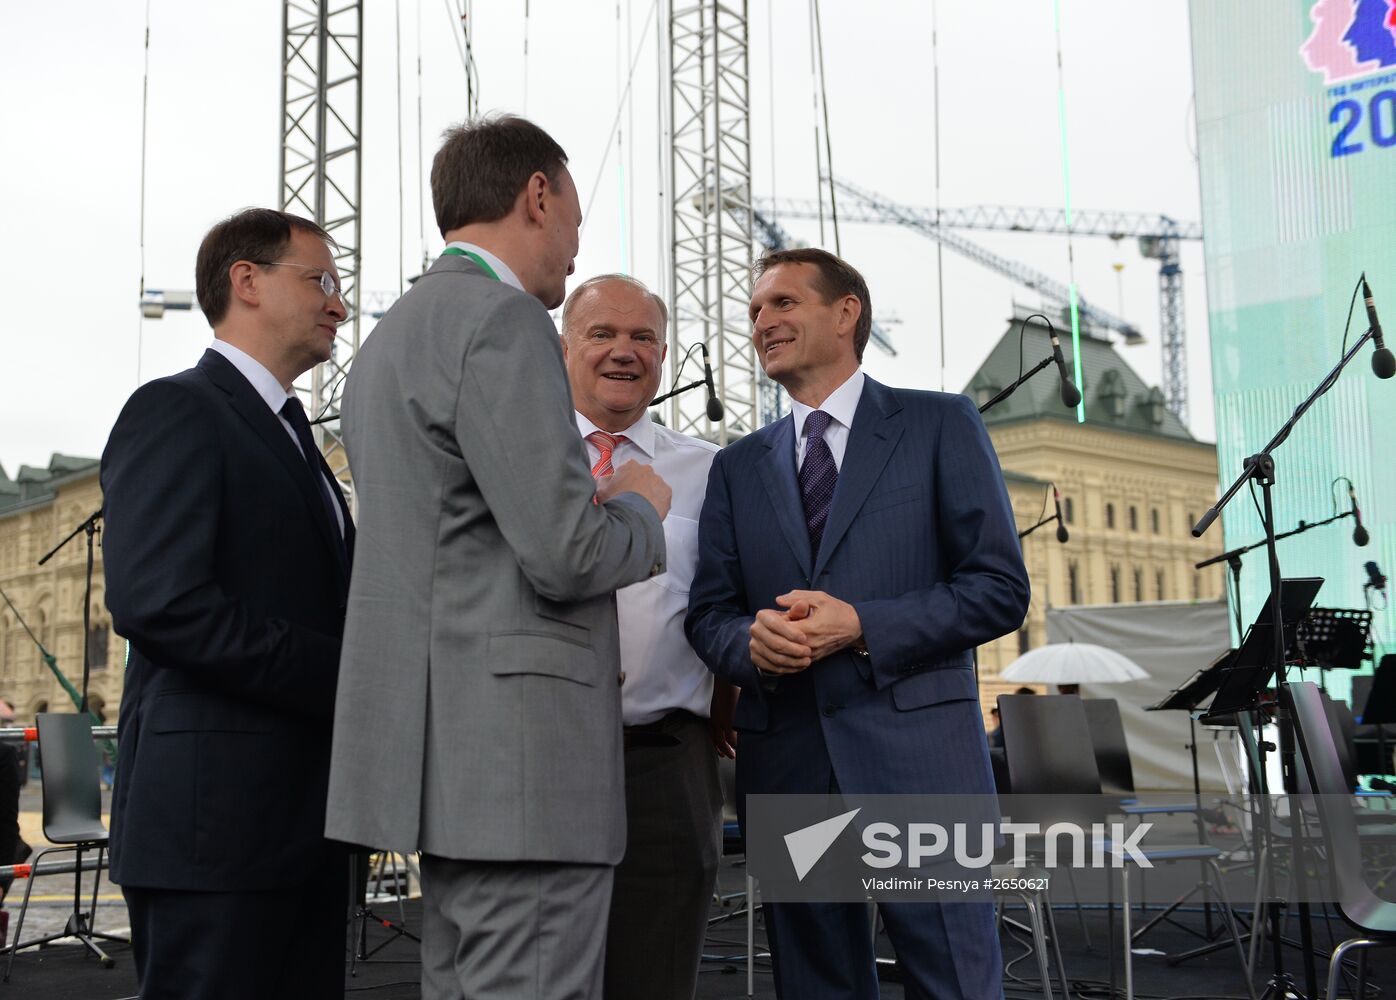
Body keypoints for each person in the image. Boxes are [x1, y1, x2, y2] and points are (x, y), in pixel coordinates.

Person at [325, 116, 672, 1000]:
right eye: (575, 228)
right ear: (538, 196)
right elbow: (566, 555)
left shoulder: (387, 340)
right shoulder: (504, 321)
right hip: (527, 777)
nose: (570, 252)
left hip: (441, 764)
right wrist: (639, 505)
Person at [685, 247, 1031, 999]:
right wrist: (748, 643)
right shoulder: (736, 466)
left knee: (955, 981)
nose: (762, 323)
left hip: (922, 768)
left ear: (847, 314)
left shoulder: (941, 424)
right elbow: (707, 614)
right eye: (754, 312)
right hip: (789, 770)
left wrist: (862, 625)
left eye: (782, 304)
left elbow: (1000, 590)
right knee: (817, 986)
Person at [101, 208, 354, 999]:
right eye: (320, 280)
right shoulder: (177, 409)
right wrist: (345, 674)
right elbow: (161, 603)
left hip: (303, 825)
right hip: (214, 828)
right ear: (245, 280)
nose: (339, 306)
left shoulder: (295, 434)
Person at [559, 274, 736, 1000]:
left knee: (655, 980)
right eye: (602, 334)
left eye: (642, 338)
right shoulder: (513, 464)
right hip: (543, 759)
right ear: (564, 346)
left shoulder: (711, 472)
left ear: (664, 355)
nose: (623, 352)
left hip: (666, 768)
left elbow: (728, 604)